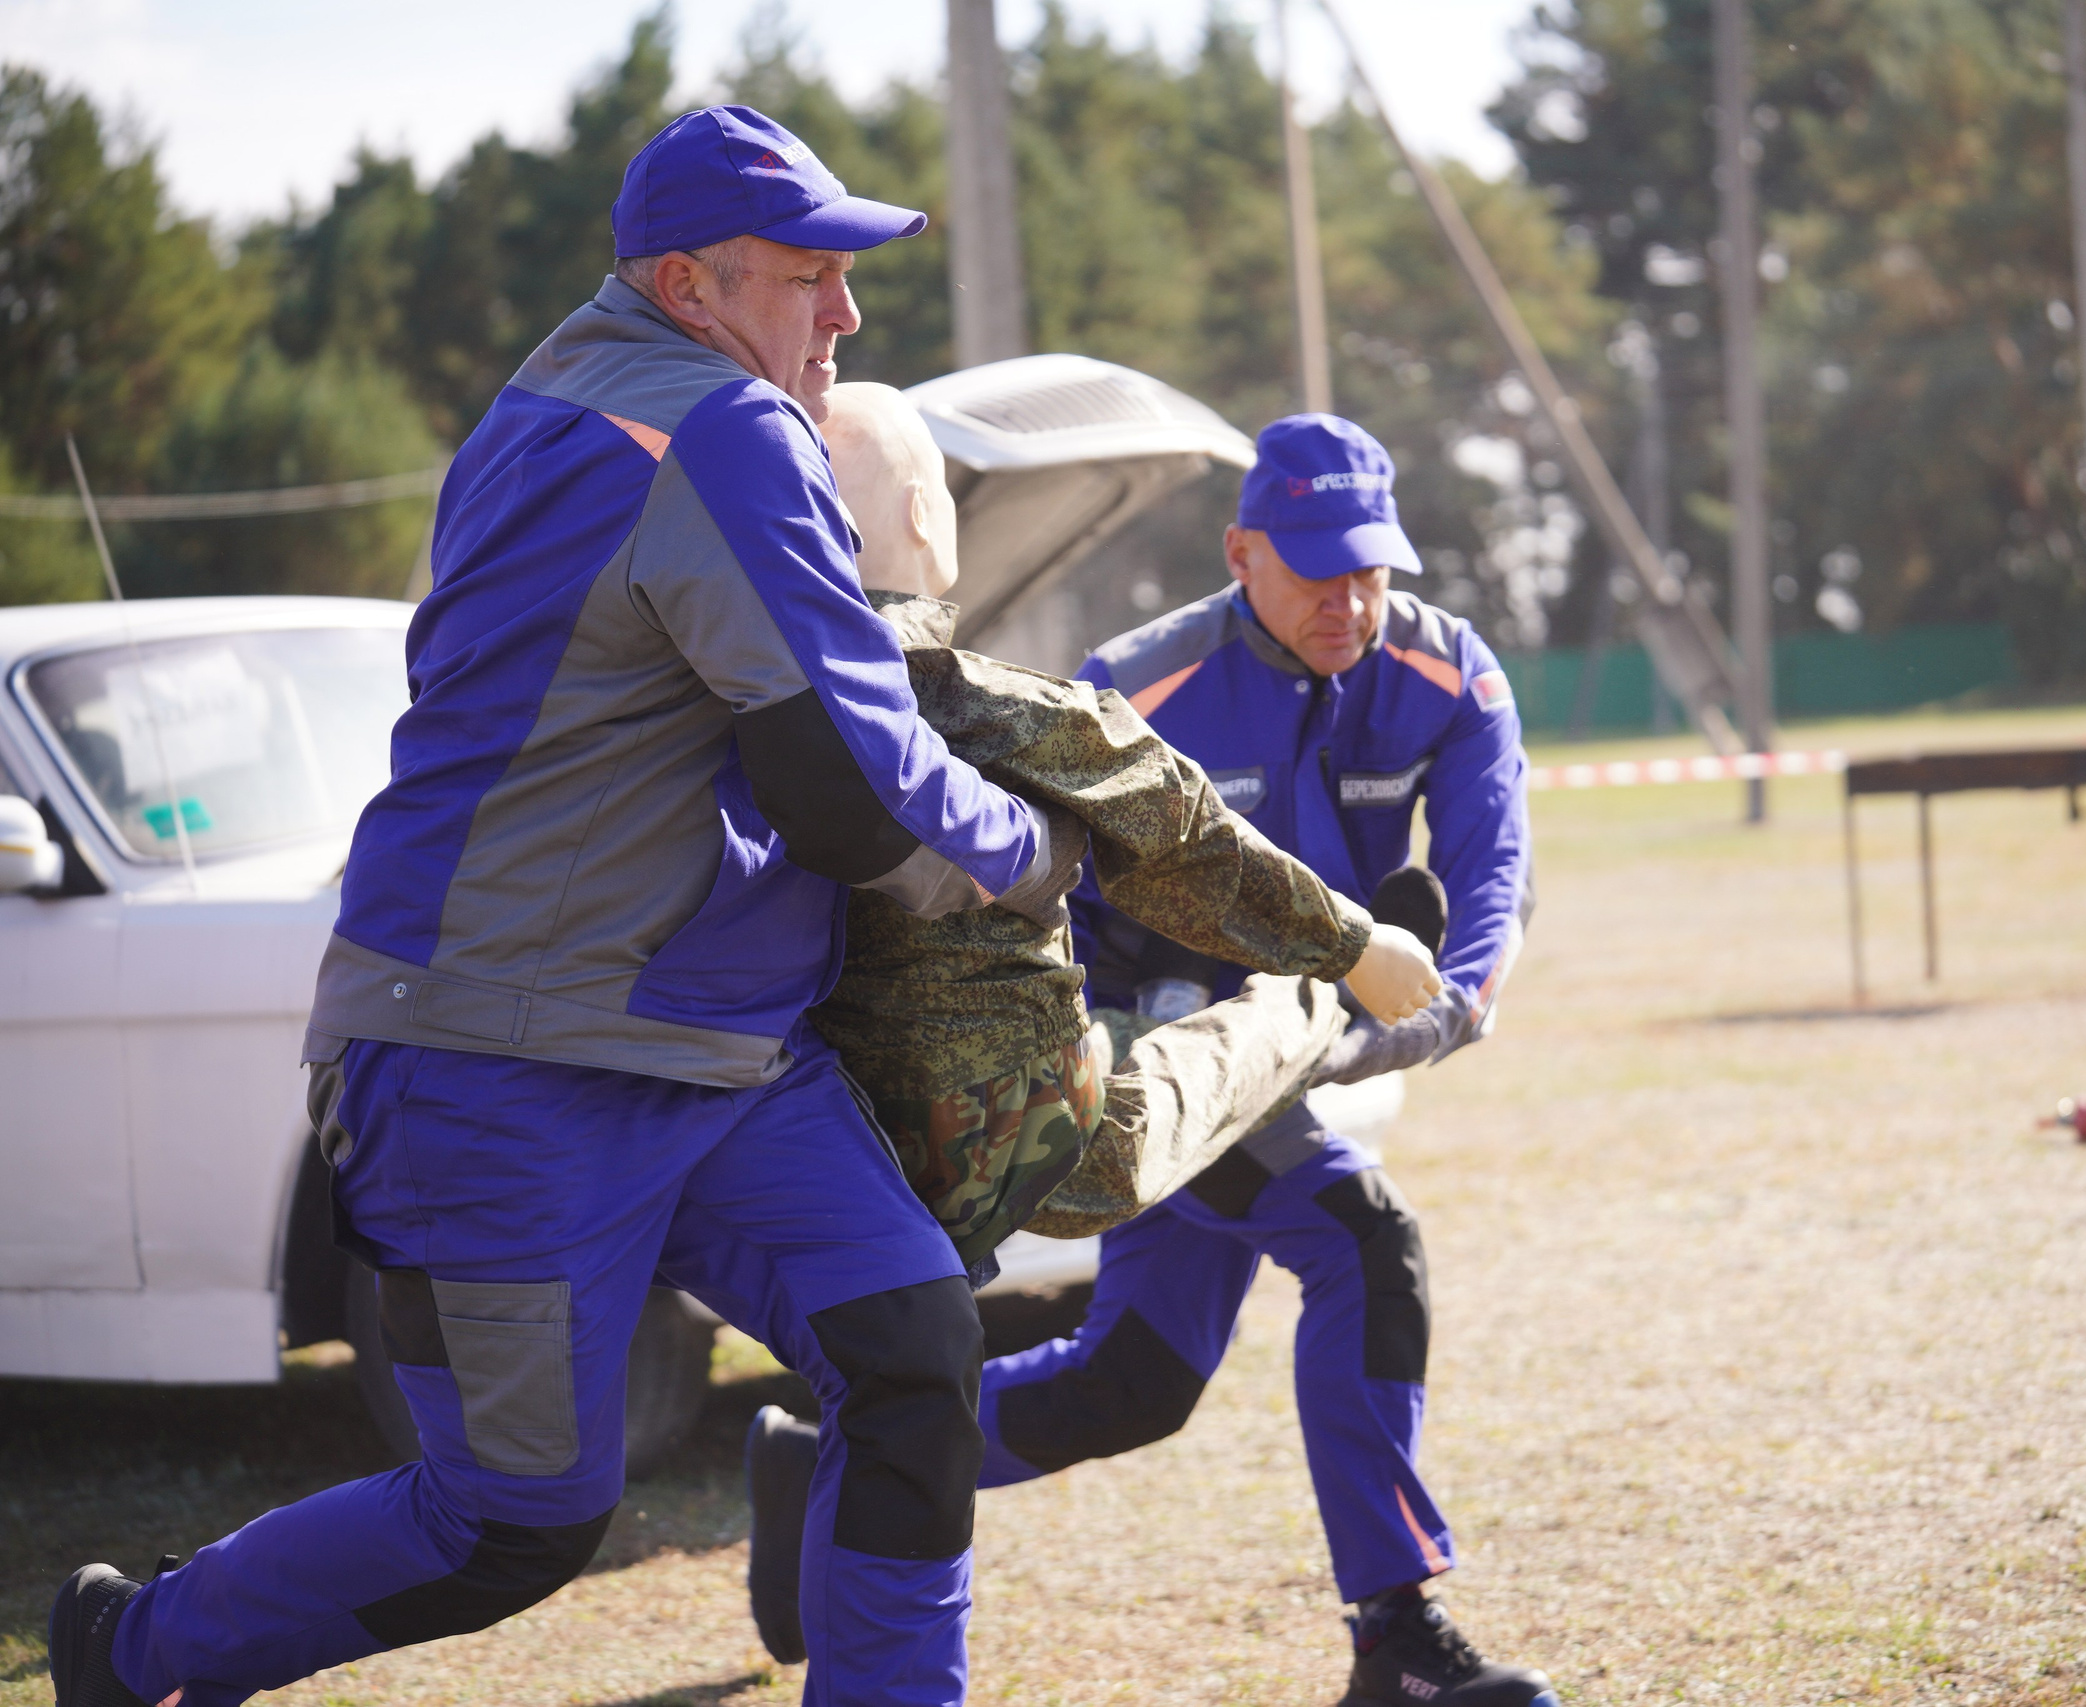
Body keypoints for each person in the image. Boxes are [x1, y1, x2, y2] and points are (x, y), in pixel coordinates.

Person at [47, 106, 1071, 1707]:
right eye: (811, 276)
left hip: (712, 1042)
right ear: (687, 284)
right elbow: (853, 790)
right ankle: (136, 1650)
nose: (847, 317)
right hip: (500, 1058)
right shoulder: (718, 430)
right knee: (511, 1518)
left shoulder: (545, 396)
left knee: (913, 1351)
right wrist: (1034, 851)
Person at [733, 385, 1446, 1662]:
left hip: (830, 1149)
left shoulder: (721, 715)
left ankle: (802, 1483)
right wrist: (1353, 950)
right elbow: (1192, 849)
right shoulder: (1001, 706)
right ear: (923, 523)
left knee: (1094, 1389)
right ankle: (1399, 1626)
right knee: (1273, 1183)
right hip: (1030, 1135)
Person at [990, 414, 1552, 1707]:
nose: (1351, 601)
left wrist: (1459, 996)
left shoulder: (1447, 671)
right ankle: (1396, 1638)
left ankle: (836, 1460)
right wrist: (1112, 1065)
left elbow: (1492, 865)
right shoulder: (1134, 687)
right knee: (1365, 1242)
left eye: (1373, 569)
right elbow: (1043, 911)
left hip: (1306, 1044)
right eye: (1316, 570)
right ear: (1242, 551)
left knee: (1131, 1383)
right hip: (1156, 1053)